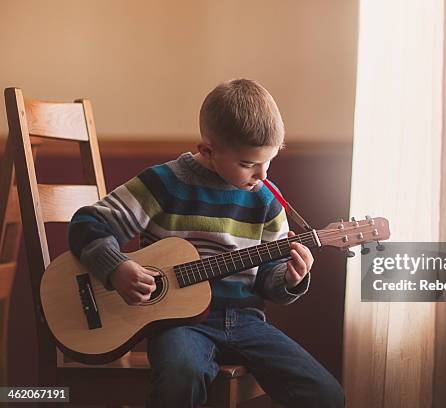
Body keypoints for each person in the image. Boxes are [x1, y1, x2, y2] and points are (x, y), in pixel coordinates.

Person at [67, 79, 345, 407]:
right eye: (247, 164)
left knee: (326, 395)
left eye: (268, 161)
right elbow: (87, 223)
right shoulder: (165, 183)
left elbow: (269, 278)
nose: (262, 175)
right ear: (208, 150)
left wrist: (290, 277)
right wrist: (115, 268)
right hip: (180, 325)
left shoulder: (268, 199)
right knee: (179, 376)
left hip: (246, 321)